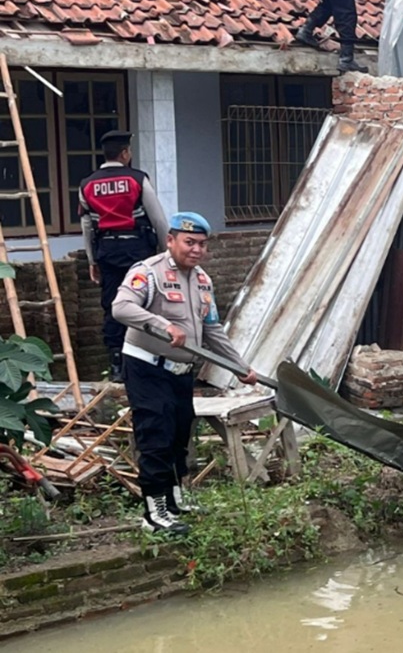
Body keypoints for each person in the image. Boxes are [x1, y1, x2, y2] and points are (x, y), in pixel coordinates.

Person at [113, 212, 258, 535]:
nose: (196, 249)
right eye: (189, 242)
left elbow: (212, 330)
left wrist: (241, 367)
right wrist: (164, 326)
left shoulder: (202, 279)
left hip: (181, 371)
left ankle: (175, 499)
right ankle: (154, 513)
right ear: (171, 240)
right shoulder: (148, 272)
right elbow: (121, 308)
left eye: (202, 244)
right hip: (147, 366)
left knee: (179, 434)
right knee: (156, 436)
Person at [79, 130, 169, 383]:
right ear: (125, 153)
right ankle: (146, 358)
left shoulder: (87, 184)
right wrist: (166, 253)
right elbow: (158, 219)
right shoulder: (137, 179)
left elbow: (87, 226)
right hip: (138, 252)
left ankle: (117, 364)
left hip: (107, 253)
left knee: (113, 306)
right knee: (146, 302)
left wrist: (92, 261)